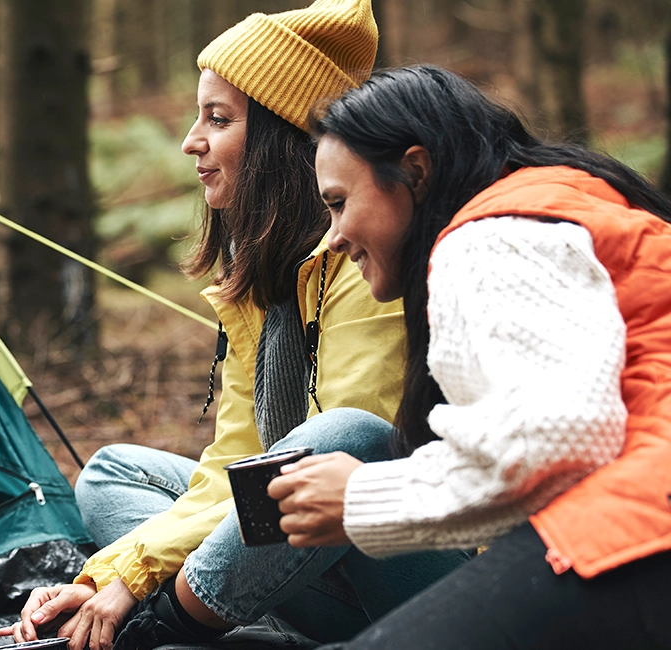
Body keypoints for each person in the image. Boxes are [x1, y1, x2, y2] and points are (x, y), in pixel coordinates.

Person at [0, 3, 465, 650]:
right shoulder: (264, 277)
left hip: (416, 570)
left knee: (336, 440)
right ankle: (249, 617)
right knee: (110, 475)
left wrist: (136, 590)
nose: (192, 140)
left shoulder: (369, 265)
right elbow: (238, 467)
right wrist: (112, 573)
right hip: (298, 547)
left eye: (218, 119)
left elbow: (322, 469)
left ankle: (192, 621)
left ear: (282, 137)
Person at [266, 64, 671, 649]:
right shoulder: (564, 201)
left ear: (415, 171)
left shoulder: (486, 239)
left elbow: (555, 440)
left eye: (338, 202)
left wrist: (364, 496)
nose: (333, 237)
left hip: (642, 531)